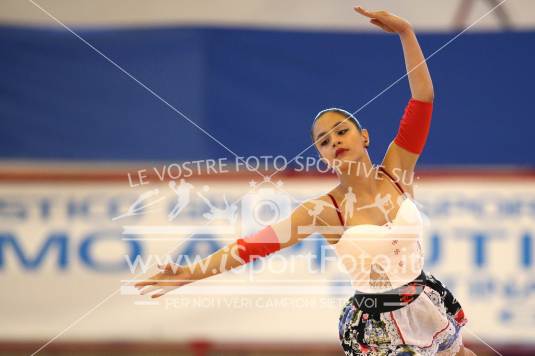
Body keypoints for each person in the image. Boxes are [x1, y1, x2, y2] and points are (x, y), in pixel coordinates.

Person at [135, 6, 475, 356]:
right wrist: (189, 273)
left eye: (341, 131)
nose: (335, 142)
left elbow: (422, 100)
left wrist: (406, 33)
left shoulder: (397, 171)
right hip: (378, 327)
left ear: (365, 137)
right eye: (324, 141)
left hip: (424, 303)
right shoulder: (323, 211)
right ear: (322, 156)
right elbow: (251, 247)